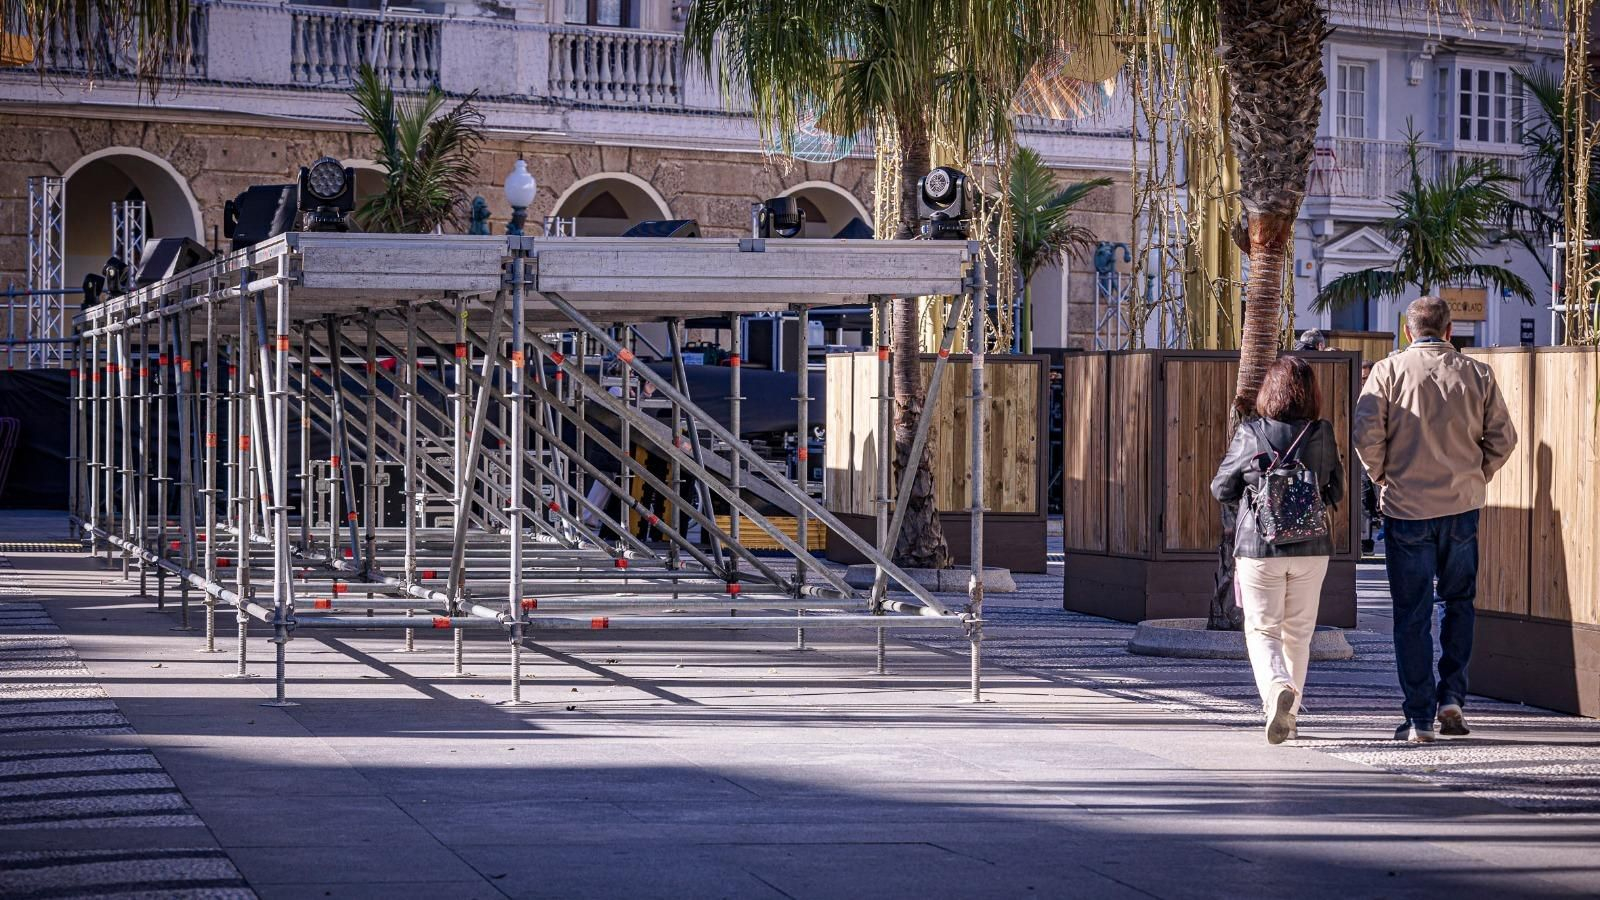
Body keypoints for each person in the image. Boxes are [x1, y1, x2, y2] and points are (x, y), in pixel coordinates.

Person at [1353, 296, 1517, 743]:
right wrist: (1476, 475)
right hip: (1462, 506)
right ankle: (1452, 699)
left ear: (1408, 332)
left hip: (1406, 509)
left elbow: (1365, 433)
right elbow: (1504, 438)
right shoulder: (1476, 373)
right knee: (1458, 603)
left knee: (1412, 613)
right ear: (1449, 331)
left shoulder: (1388, 372)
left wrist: (1382, 475)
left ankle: (1419, 717)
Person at [1212, 357, 1345, 744]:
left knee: (1262, 628)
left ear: (1269, 393)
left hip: (1259, 546)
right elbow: (1335, 491)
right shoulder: (1322, 432)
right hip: (1312, 547)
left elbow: (1221, 487)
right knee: (1298, 634)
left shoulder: (1251, 432)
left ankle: (1275, 693)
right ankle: (1290, 713)